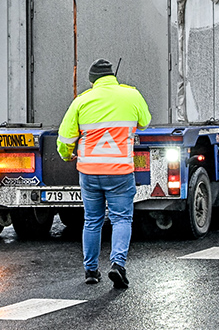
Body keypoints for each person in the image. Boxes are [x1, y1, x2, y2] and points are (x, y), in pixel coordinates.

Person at [57, 59, 152, 289]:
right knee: (121, 218)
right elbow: (145, 123)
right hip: (119, 172)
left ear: (92, 80)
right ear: (113, 76)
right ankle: (117, 265)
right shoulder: (132, 95)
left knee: (92, 221)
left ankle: (91, 270)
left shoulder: (82, 101)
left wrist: (67, 155)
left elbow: (65, 139)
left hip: (89, 172)